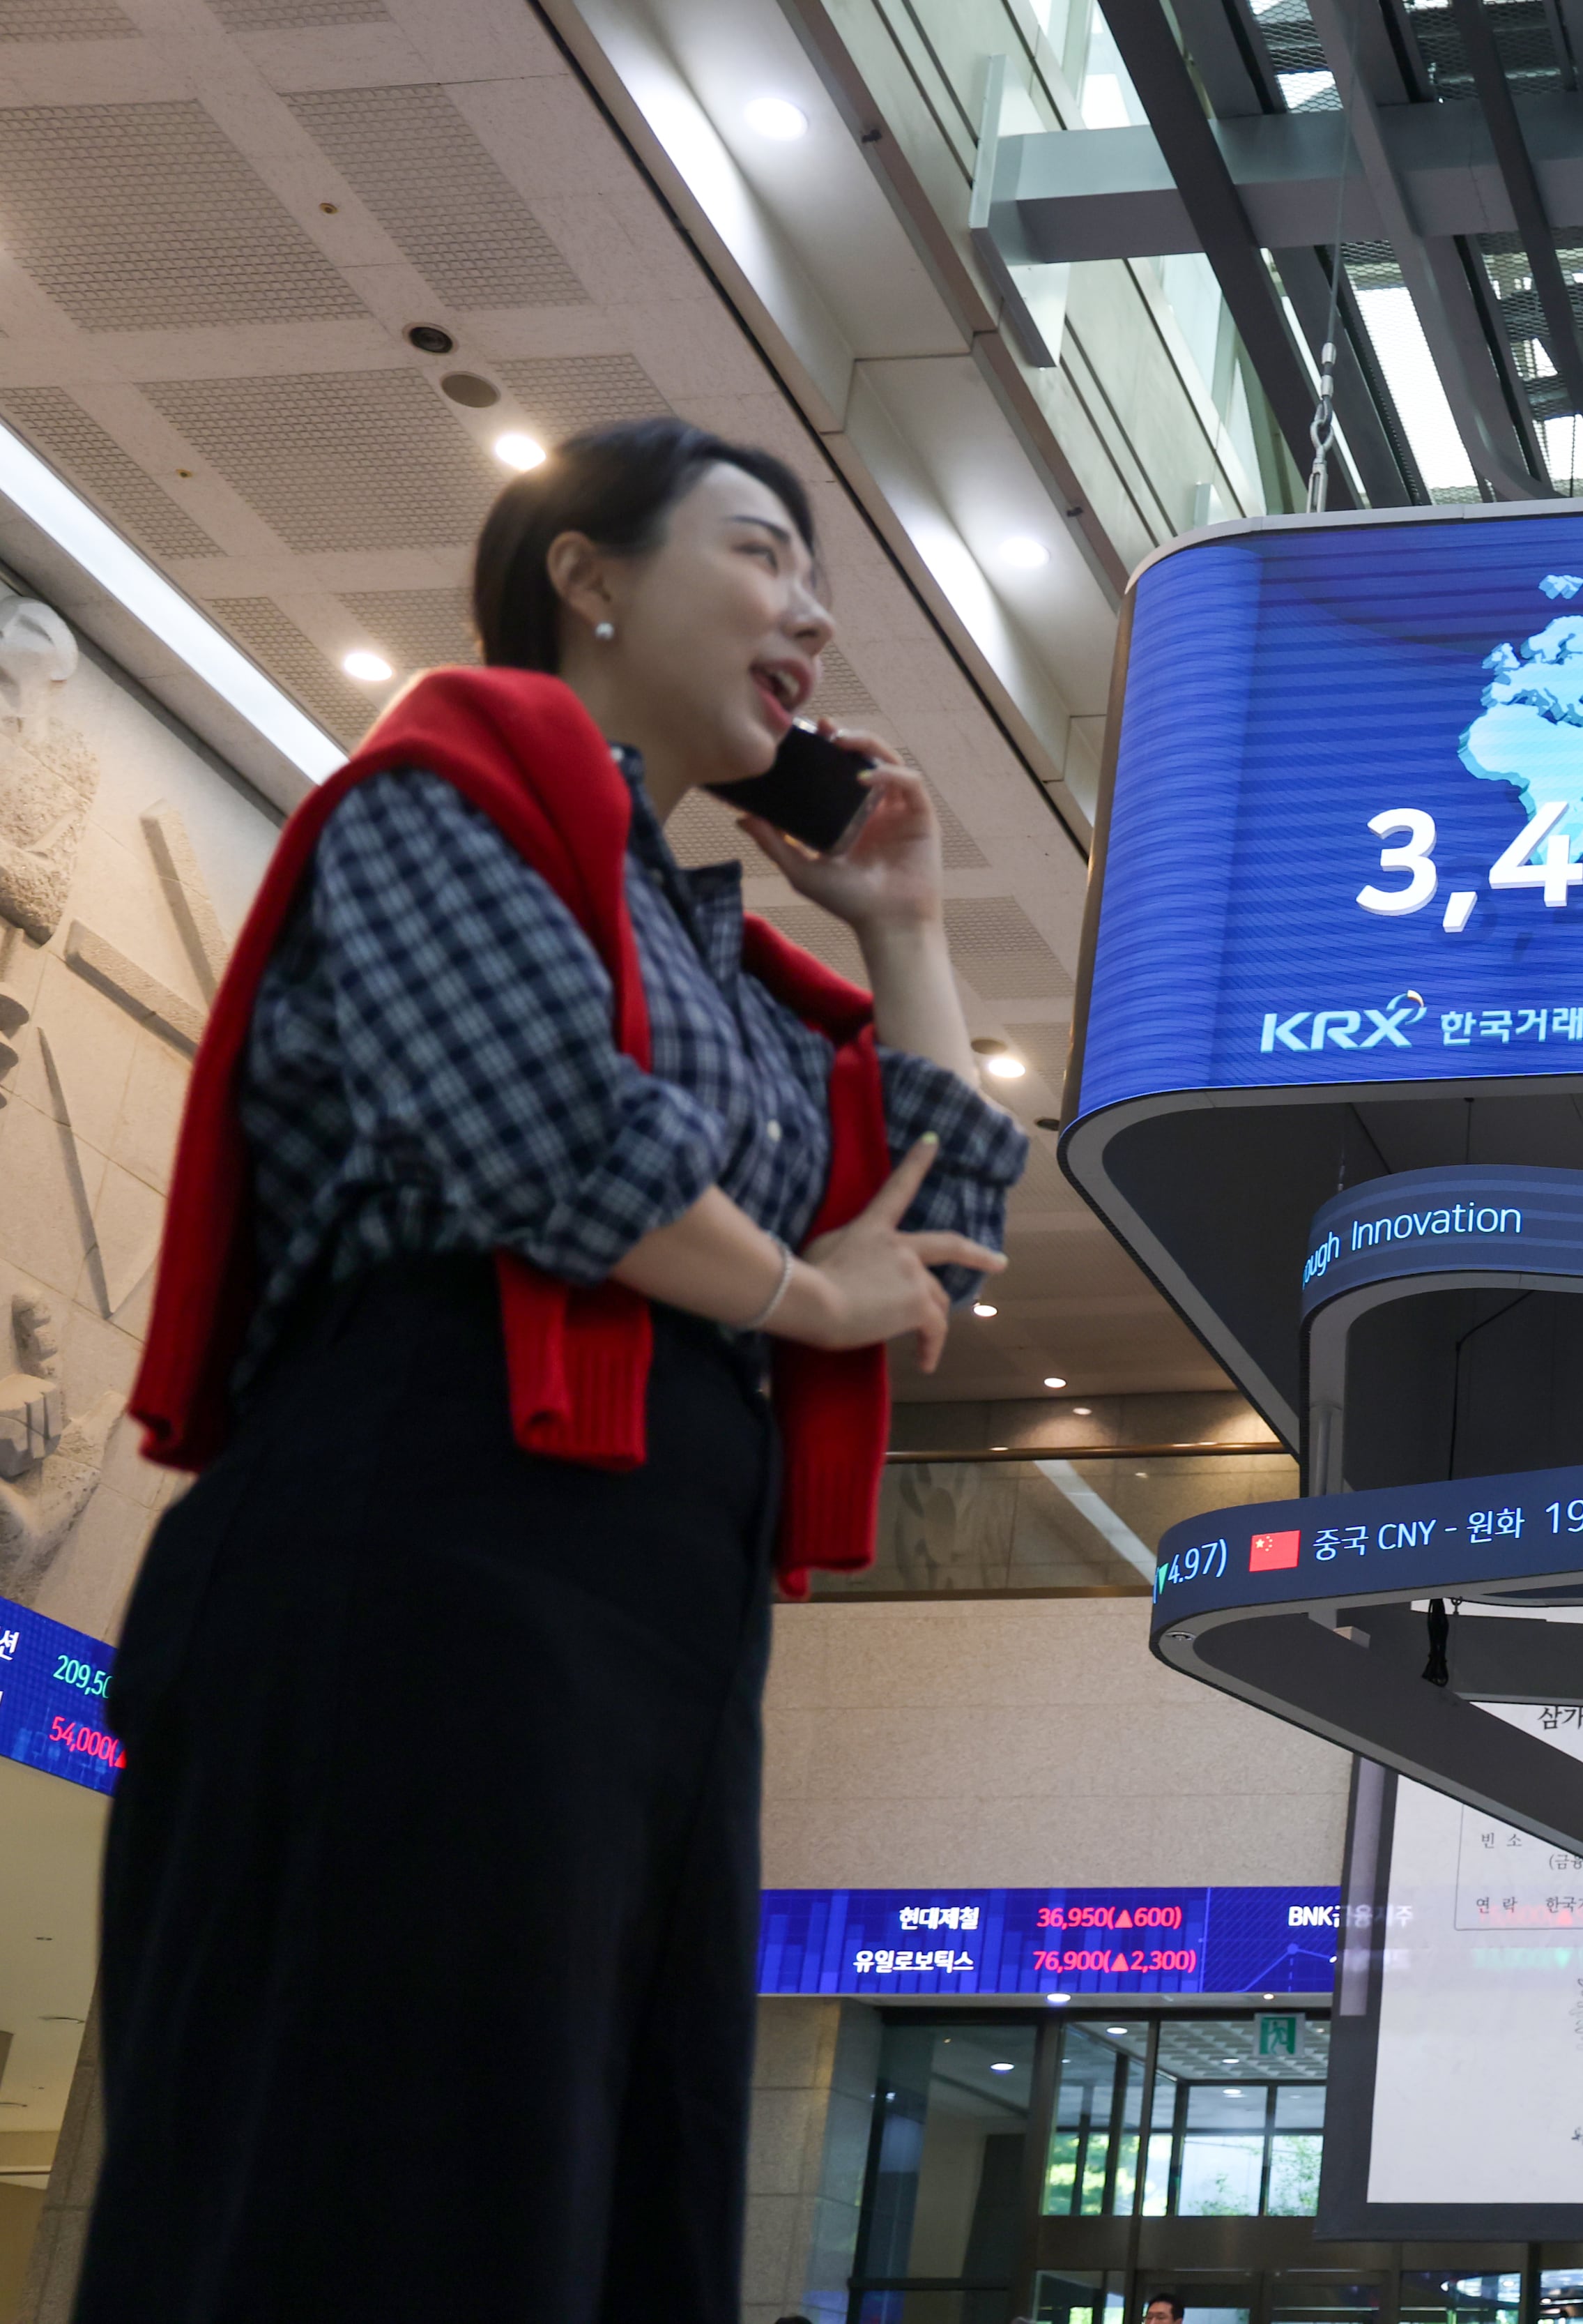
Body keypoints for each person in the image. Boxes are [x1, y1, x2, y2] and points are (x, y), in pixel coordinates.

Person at [78, 418, 1031, 2318]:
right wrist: (801, 1295)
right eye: (761, 553)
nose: (810, 616)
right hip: (426, 1533)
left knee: (611, 2171)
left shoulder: (708, 957)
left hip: (649, 1596)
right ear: (588, 578)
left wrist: (908, 925)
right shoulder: (431, 800)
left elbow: (940, 1217)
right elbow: (548, 1137)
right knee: (386, 2153)